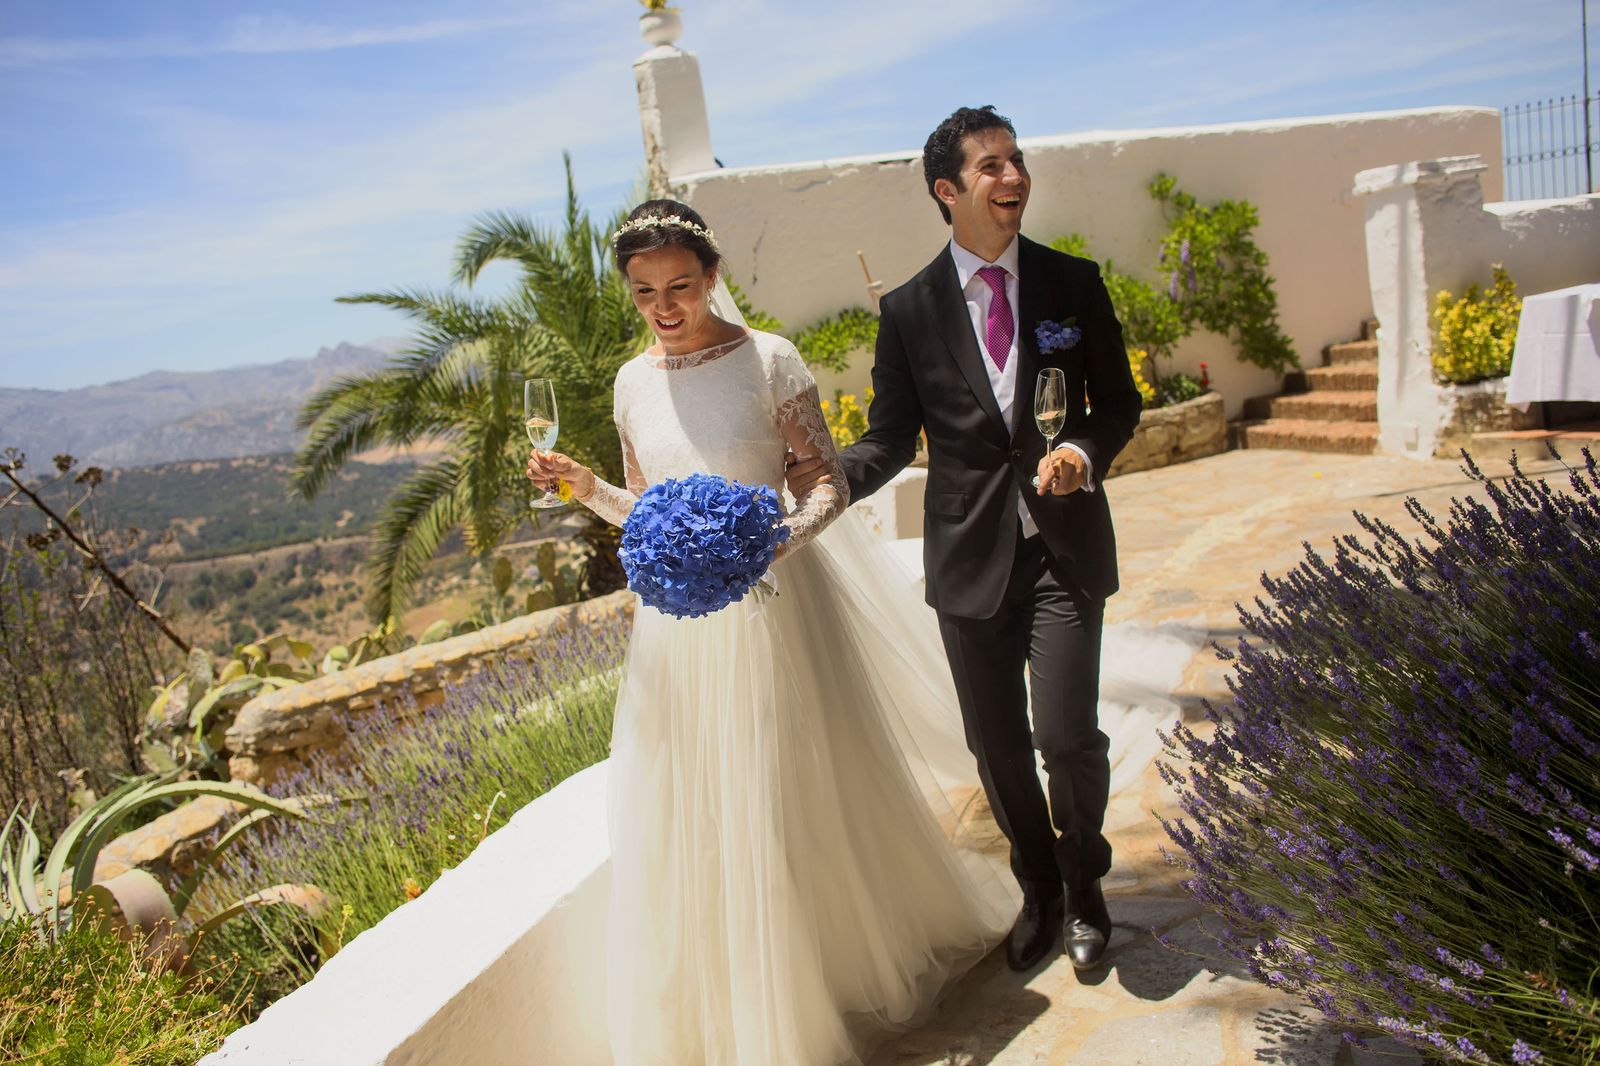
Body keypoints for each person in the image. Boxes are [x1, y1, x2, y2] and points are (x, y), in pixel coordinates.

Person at [525, 199, 1017, 1065]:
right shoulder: (631, 383)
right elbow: (646, 514)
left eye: (680, 285)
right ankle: (729, 1006)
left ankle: (816, 989)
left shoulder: (769, 359)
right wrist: (583, 486)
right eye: (645, 293)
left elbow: (824, 482)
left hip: (778, 610)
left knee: (786, 797)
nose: (664, 306)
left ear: (712, 276)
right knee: (699, 809)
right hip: (679, 635)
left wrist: (767, 546)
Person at [786, 105, 1144, 972]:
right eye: (991, 167)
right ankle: (1041, 890)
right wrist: (827, 480)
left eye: (1016, 160)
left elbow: (1120, 404)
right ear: (948, 191)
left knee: (1066, 735)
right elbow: (890, 435)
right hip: (968, 559)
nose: (1013, 176)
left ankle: (1086, 883)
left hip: (1063, 549)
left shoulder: (1073, 282)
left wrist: (1084, 454)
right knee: (997, 748)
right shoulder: (908, 310)